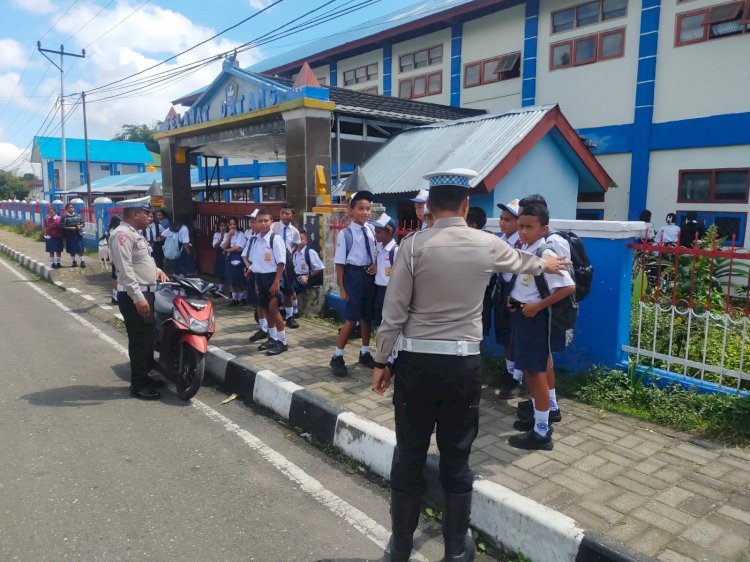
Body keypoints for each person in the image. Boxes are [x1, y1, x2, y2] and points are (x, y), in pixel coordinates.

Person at [371, 169, 568, 562]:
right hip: (462, 367)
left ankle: (401, 546)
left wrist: (382, 360)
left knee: (410, 451)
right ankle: (456, 550)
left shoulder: (411, 247)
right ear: (465, 205)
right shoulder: (486, 244)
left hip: (415, 364)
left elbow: (393, 313)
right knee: (456, 455)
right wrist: (549, 264)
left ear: (429, 206)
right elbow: (524, 263)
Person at [506, 203, 575, 451]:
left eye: (529, 227)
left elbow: (568, 288)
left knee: (535, 375)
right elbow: (527, 284)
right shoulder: (528, 248)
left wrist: (537, 306)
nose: (523, 231)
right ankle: (540, 420)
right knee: (532, 371)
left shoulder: (545, 253)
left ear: (543, 228)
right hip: (524, 315)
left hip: (535, 320)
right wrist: (515, 299)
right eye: (521, 226)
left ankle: (542, 433)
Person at [108, 196, 169, 400]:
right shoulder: (122, 235)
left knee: (148, 338)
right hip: (136, 294)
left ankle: (145, 376)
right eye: (146, 213)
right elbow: (124, 269)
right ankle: (138, 385)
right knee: (139, 341)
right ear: (135, 214)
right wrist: (138, 297)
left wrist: (157, 270)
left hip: (147, 292)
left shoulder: (135, 234)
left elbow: (142, 261)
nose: (150, 216)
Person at [330, 190, 378, 377]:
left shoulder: (372, 230)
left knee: (367, 318)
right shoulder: (346, 234)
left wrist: (375, 266)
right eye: (360, 209)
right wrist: (342, 287)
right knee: (351, 319)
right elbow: (340, 264)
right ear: (351, 210)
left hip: (369, 277)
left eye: (367, 209)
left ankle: (364, 352)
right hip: (353, 277)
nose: (365, 212)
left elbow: (377, 253)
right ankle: (337, 356)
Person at [247, 209, 289, 355]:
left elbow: (281, 263)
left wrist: (276, 282)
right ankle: (272, 338)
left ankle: (282, 342)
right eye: (260, 221)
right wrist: (256, 281)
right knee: (264, 307)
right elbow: (256, 263)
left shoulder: (275, 239)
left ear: (271, 222)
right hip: (261, 278)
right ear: (256, 223)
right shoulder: (257, 239)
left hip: (274, 278)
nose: (263, 223)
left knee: (273, 308)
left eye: (266, 220)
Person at [494, 199, 525, 398]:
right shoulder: (501, 240)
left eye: (508, 219)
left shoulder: (522, 243)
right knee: (505, 333)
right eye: (501, 219)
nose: (502, 223)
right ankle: (509, 371)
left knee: (517, 335)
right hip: (503, 289)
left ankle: (519, 379)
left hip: (517, 292)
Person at [271, 204, 301, 329]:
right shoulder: (274, 226)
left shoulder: (294, 231)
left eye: (287, 213)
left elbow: (297, 244)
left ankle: (289, 317)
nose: (284, 215)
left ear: (292, 215)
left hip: (287, 261)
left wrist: (290, 252)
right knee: (274, 289)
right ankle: (274, 314)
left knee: (289, 289)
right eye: (282, 213)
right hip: (274, 260)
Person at [370, 213, 398, 329]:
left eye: (379, 232)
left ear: (389, 231)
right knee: (378, 320)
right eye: (375, 231)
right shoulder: (380, 249)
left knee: (387, 322)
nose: (376, 235)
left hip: (389, 291)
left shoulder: (395, 251)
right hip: (378, 289)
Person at [222, 217, 247, 306]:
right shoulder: (226, 234)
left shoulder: (240, 234)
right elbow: (223, 246)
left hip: (238, 257)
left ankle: (242, 298)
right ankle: (234, 298)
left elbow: (238, 247)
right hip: (229, 258)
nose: (232, 226)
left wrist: (227, 250)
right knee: (231, 279)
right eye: (230, 224)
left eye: (234, 224)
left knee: (239, 279)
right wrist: (229, 236)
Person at [292, 230, 325, 298]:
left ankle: (288, 307)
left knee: (291, 288)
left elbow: (320, 268)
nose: (299, 241)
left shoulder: (310, 252)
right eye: (297, 239)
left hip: (308, 277)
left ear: (306, 241)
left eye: (301, 239)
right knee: (286, 286)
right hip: (296, 276)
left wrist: (307, 276)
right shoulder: (295, 253)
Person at [61, 202, 86, 268]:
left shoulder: (78, 216)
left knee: (80, 249)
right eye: (69, 208)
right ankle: (73, 262)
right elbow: (62, 226)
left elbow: (83, 223)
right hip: (69, 235)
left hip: (78, 235)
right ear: (66, 209)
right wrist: (70, 228)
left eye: (72, 207)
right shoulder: (64, 217)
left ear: (74, 208)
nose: (71, 209)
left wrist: (80, 226)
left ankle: (82, 261)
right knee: (71, 249)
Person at [106, 215, 122, 304]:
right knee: (116, 277)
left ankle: (114, 296)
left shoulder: (110, 231)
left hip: (114, 255)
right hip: (116, 256)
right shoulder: (115, 232)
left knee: (115, 276)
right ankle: (115, 297)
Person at [212, 218, 228, 293]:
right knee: (220, 272)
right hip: (220, 253)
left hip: (227, 253)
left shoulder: (229, 234)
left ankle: (231, 291)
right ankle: (220, 289)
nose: (223, 227)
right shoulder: (216, 234)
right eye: (221, 226)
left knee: (228, 272)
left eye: (224, 225)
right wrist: (221, 237)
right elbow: (215, 246)